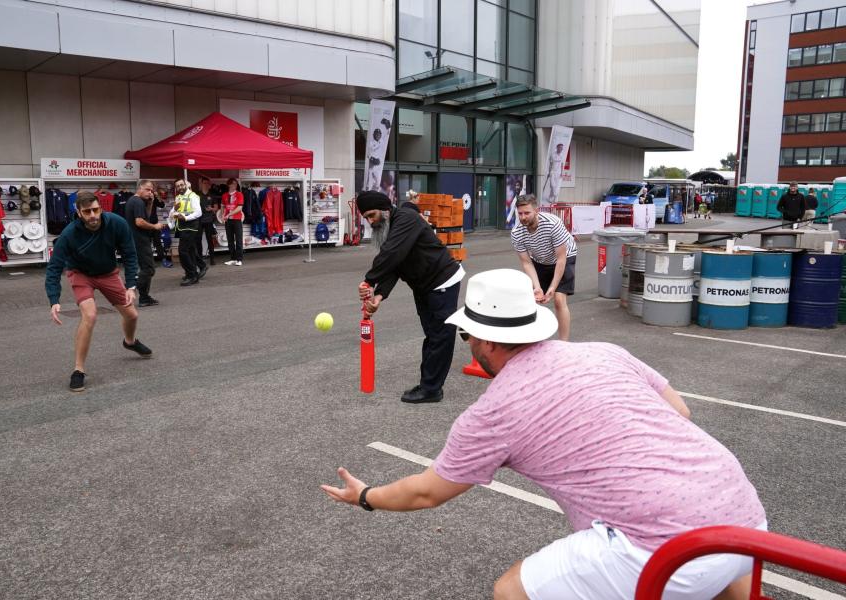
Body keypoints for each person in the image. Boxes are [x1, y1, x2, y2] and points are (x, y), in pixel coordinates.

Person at [322, 269, 767, 600]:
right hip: (743, 516)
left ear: (487, 342)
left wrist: (366, 496)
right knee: (720, 574)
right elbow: (680, 411)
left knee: (512, 591)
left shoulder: (493, 412)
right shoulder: (603, 352)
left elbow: (426, 493)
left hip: (659, 547)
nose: (469, 344)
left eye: (467, 336)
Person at [356, 190, 464, 404]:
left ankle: (431, 389)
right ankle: (429, 383)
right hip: (423, 285)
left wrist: (369, 280)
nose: (370, 222)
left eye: (372, 215)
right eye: (366, 218)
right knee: (432, 335)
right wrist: (379, 295)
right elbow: (396, 264)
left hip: (442, 281)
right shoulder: (393, 226)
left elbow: (391, 254)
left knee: (440, 336)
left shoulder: (406, 219)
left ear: (385, 210)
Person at [45, 191, 152, 392]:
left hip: (108, 273)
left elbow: (130, 253)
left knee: (132, 315)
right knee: (90, 315)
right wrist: (54, 299)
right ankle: (78, 370)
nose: (93, 215)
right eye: (87, 212)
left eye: (95, 210)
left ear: (101, 208)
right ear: (78, 212)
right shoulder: (69, 234)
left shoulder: (117, 223)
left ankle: (129, 342)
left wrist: (131, 285)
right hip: (81, 274)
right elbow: (54, 267)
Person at [511, 194, 577, 341]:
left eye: (527, 213)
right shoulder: (516, 233)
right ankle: (534, 340)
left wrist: (553, 287)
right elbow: (527, 262)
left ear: (536, 211)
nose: (523, 217)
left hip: (565, 255)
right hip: (539, 259)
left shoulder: (553, 224)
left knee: (559, 300)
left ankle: (563, 344)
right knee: (535, 298)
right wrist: (537, 286)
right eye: (520, 213)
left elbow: (561, 259)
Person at [124, 179, 166, 307]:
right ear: (140, 188)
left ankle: (144, 297)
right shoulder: (136, 201)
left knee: (145, 268)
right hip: (139, 240)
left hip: (138, 239)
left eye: (151, 190)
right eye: (147, 189)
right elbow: (139, 222)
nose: (150, 192)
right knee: (148, 269)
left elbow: (145, 216)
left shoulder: (138, 202)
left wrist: (151, 202)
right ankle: (130, 287)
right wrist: (154, 226)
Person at [172, 179, 205, 286]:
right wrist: (174, 211)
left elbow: (199, 212)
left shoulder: (193, 196)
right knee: (190, 250)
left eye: (182, 185)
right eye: (178, 186)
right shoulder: (178, 197)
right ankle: (198, 268)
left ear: (185, 185)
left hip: (191, 227)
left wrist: (185, 218)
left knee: (182, 251)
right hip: (181, 227)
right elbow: (174, 212)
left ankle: (192, 274)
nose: (180, 187)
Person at [220, 177, 244, 266]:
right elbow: (222, 205)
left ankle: (239, 259)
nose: (234, 185)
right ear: (229, 184)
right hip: (228, 221)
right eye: (233, 183)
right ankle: (233, 258)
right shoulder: (224, 195)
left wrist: (229, 214)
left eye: (236, 183)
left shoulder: (239, 194)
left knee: (238, 239)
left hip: (237, 219)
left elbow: (239, 207)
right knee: (230, 240)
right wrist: (222, 215)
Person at [197, 176, 219, 265]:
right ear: (201, 184)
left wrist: (212, 209)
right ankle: (199, 259)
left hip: (209, 220)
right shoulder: (196, 195)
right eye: (204, 183)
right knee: (198, 240)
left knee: (210, 240)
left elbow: (216, 208)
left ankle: (212, 259)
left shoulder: (212, 195)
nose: (205, 185)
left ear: (209, 185)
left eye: (207, 183)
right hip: (198, 221)